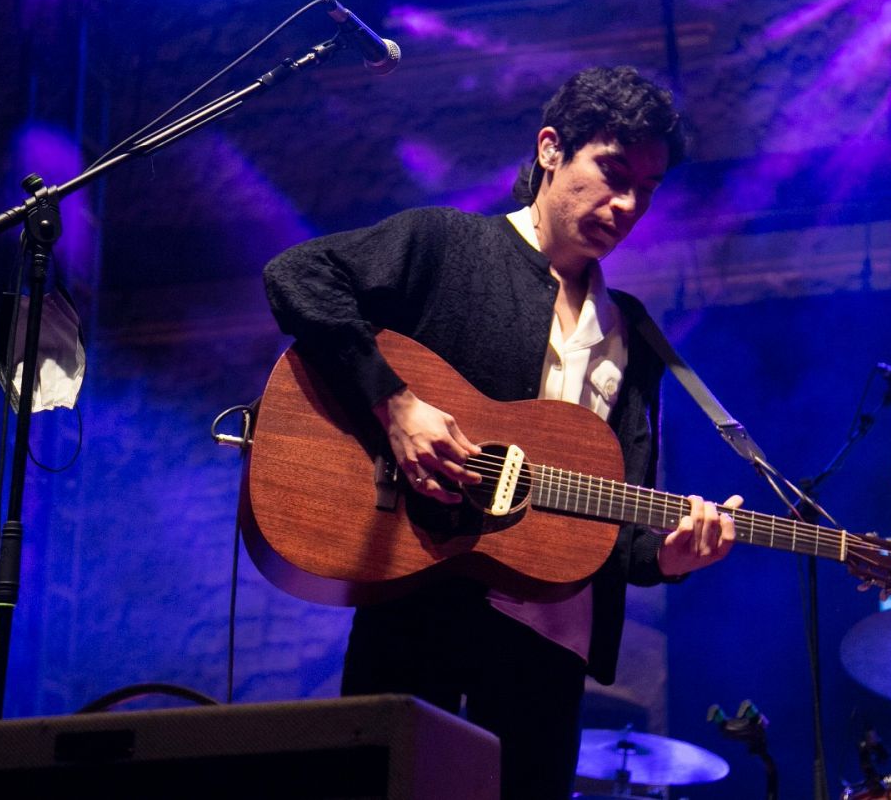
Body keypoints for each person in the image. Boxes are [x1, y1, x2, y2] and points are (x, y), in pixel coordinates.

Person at [263, 66, 741, 800]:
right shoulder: (446, 244)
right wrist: (395, 404)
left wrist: (669, 557)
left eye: (646, 189)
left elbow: (617, 529)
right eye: (613, 174)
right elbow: (298, 275)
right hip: (417, 601)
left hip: (550, 643)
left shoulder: (634, 335)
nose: (627, 205)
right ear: (551, 148)